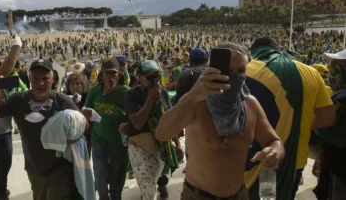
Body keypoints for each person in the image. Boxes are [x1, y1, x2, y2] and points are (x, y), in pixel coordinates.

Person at [156, 42, 285, 200]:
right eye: (228, 71)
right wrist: (194, 94)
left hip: (239, 195)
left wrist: (274, 153)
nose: (235, 76)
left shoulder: (250, 104)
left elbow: (274, 141)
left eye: (241, 71)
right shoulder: (196, 103)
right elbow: (162, 133)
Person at [244, 37, 335, 200]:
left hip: (255, 158)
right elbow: (327, 118)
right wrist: (300, 123)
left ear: (254, 52)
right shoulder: (311, 72)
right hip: (295, 158)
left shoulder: (245, 70)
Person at [0, 59, 80, 200]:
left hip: (60, 169)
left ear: (52, 79)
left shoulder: (63, 101)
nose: (41, 83)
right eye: (36, 79)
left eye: (45, 79)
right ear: (29, 79)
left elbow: (82, 124)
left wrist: (72, 138)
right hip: (34, 170)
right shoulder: (19, 100)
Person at [123, 60, 180, 200]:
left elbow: (169, 120)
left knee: (151, 188)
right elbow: (137, 123)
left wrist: (177, 144)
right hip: (139, 150)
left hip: (159, 149)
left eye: (157, 75)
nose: (155, 79)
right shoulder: (132, 94)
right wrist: (150, 98)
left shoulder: (164, 93)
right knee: (149, 192)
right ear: (140, 77)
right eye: (150, 76)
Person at [83, 58, 129, 200]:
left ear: (119, 75)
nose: (110, 76)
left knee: (116, 182)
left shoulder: (127, 93)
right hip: (99, 141)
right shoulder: (95, 91)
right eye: (106, 73)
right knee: (100, 178)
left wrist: (129, 124)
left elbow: (135, 116)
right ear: (101, 76)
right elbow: (85, 108)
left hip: (119, 144)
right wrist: (86, 112)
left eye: (113, 73)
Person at [314, 49, 346, 200]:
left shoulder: (342, 99)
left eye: (337, 66)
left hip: (339, 168)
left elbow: (330, 131)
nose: (331, 69)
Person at [0, 36, 22, 200]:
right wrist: (16, 46)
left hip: (4, 133)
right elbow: (5, 69)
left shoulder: (4, 85)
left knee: (4, 167)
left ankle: (1, 191)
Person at [64, 72, 91, 157]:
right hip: (70, 136)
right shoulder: (64, 97)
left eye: (78, 83)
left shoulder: (88, 97)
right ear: (68, 86)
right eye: (72, 84)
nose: (75, 86)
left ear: (83, 85)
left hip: (86, 135)